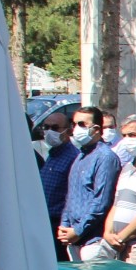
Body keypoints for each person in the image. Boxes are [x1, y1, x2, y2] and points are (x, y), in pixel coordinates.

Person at [57, 107, 119, 260]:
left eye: (82, 124)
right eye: (74, 124)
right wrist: (65, 227)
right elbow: (71, 196)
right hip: (73, 239)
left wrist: (78, 230)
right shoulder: (80, 157)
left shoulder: (105, 157)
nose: (76, 128)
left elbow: (101, 202)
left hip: (93, 241)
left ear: (96, 128)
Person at [99, 115, 136, 266]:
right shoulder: (127, 167)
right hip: (116, 245)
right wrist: (108, 233)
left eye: (132, 135)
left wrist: (122, 237)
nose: (127, 140)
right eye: (124, 135)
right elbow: (117, 204)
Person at [35, 106, 76, 251]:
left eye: (55, 127)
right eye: (46, 127)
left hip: (58, 223)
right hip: (43, 221)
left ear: (68, 131)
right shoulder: (52, 155)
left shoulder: (73, 157)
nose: (49, 131)